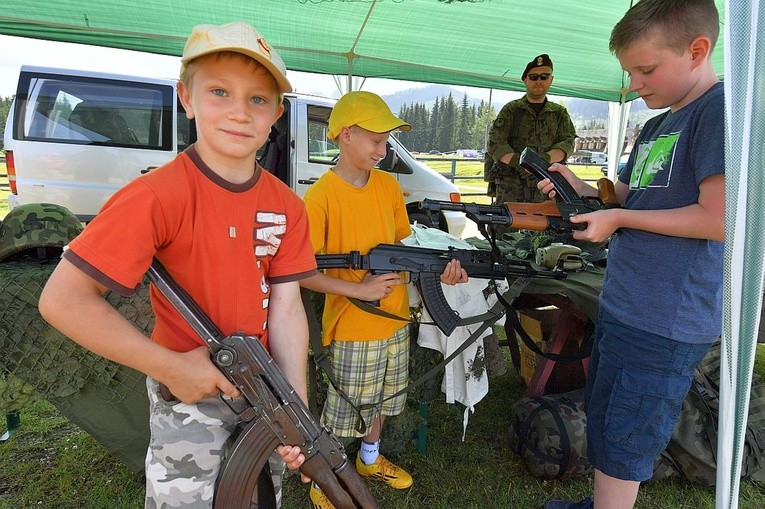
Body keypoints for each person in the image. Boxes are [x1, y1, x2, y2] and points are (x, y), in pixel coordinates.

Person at [38, 21, 316, 508]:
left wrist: (298, 403)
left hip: (265, 390)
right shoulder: (154, 197)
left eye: (258, 99)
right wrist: (170, 366)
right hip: (188, 400)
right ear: (185, 97)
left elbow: (288, 308)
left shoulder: (288, 206)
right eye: (219, 91)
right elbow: (63, 300)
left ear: (276, 113)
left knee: (258, 498)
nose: (239, 112)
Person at [538, 1, 725, 508]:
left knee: (629, 433)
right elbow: (631, 195)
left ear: (697, 50)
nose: (636, 84)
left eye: (646, 70)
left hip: (667, 318)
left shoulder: (720, 112)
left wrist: (619, 220)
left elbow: (718, 218)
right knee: (606, 416)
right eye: (630, 73)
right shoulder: (658, 125)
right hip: (626, 302)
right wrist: (583, 187)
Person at [299, 90, 468, 508]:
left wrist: (440, 268)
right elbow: (303, 272)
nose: (383, 149)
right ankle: (325, 478)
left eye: (386, 140)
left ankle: (370, 459)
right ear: (344, 135)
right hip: (354, 327)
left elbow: (405, 245)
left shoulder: (389, 186)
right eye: (375, 139)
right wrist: (359, 289)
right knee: (345, 411)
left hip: (393, 318)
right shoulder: (320, 197)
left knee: (384, 401)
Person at [485, 53, 576, 205]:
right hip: (511, 185)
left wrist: (539, 163)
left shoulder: (559, 113)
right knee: (504, 225)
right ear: (525, 80)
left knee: (545, 226)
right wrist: (523, 164)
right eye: (534, 77)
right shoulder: (511, 110)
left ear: (551, 80)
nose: (539, 81)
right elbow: (495, 143)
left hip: (546, 185)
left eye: (544, 76)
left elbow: (567, 143)